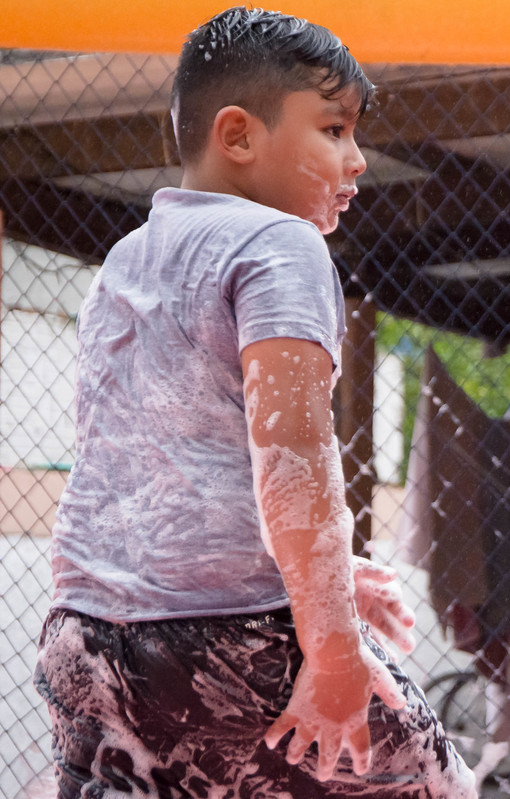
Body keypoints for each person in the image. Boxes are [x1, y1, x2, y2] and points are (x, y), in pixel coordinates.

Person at [34, 8, 476, 797]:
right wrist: (332, 646)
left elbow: (158, 470)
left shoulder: (124, 261)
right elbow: (292, 457)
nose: (358, 158)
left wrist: (322, 571)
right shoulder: (280, 243)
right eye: (334, 130)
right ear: (238, 135)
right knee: (438, 787)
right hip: (224, 641)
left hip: (82, 641)